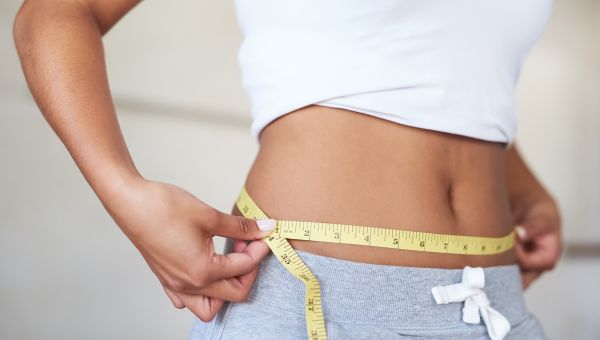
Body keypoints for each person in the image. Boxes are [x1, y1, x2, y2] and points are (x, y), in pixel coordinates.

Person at [13, 0, 562, 339]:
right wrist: (125, 194)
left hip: (496, 303)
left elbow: (444, 72)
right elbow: (57, 9)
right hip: (322, 294)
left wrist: (522, 184)